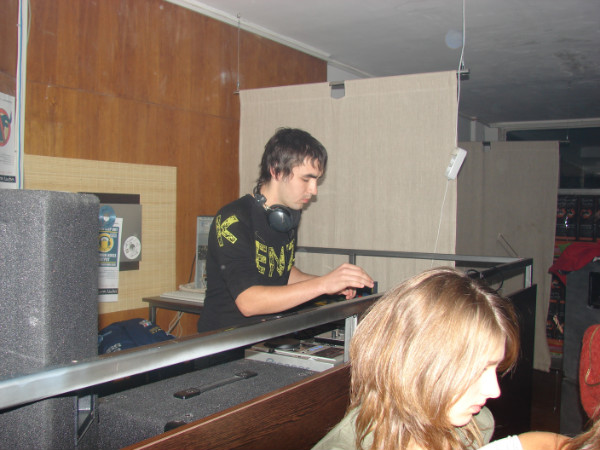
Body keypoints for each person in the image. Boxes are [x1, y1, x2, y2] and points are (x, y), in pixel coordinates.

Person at [312, 267, 521, 450]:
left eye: (494, 368)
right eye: (478, 370)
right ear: (420, 364)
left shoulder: (475, 427)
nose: (495, 391)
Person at [197, 127, 374, 333]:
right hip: (223, 342)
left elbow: (282, 271)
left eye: (316, 181)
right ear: (277, 171)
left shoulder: (287, 217)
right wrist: (323, 285)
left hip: (263, 338)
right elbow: (248, 302)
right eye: (306, 179)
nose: (314, 190)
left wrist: (332, 284)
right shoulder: (232, 219)